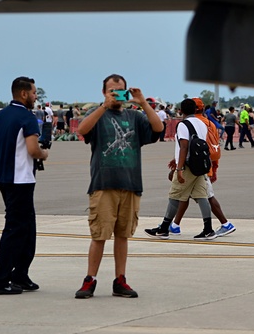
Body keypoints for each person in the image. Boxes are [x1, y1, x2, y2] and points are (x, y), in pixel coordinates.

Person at [73, 75, 164, 299]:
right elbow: (82, 130)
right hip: (103, 184)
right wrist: (103, 106)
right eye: (112, 90)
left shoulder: (134, 117)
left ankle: (120, 279)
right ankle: (90, 279)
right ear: (103, 92)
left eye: (120, 91)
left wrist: (143, 103)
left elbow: (158, 128)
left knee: (122, 235)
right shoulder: (97, 114)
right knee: (99, 235)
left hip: (130, 183)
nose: (117, 95)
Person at [0, 76, 48, 295]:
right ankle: (0, 280)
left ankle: (21, 274)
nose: (35, 97)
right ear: (23, 94)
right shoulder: (27, 118)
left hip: (3, 178)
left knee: (28, 227)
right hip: (20, 179)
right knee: (15, 229)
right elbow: (33, 149)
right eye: (33, 93)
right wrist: (44, 153)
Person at [145, 98, 215, 240]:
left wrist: (179, 168)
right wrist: (176, 159)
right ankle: (208, 229)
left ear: (180, 110)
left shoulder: (183, 124)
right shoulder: (201, 123)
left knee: (174, 195)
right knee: (202, 196)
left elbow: (184, 146)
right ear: (195, 109)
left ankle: (164, 228)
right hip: (200, 166)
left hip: (188, 166)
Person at [169, 98, 236, 238]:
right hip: (204, 164)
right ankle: (174, 225)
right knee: (188, 195)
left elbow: (185, 147)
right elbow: (214, 147)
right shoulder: (208, 123)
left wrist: (178, 165)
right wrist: (214, 167)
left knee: (204, 196)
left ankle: (224, 224)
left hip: (193, 166)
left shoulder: (189, 123)